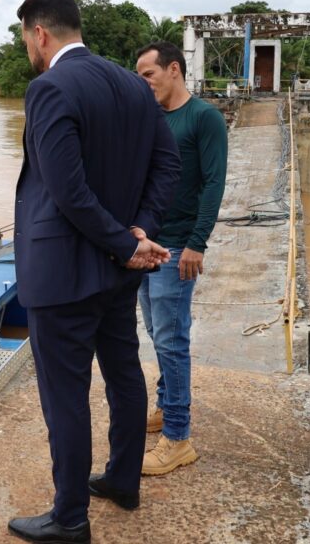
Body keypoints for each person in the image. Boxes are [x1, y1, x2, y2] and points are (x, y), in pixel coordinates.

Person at [7, 0, 180, 544]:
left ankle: (70, 516)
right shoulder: (134, 85)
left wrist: (124, 242)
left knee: (66, 394)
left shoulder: (49, 87)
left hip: (63, 274)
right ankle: (125, 480)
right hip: (117, 272)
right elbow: (165, 162)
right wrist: (139, 230)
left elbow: (66, 190)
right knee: (124, 372)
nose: (28, 48)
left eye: (26, 38)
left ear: (40, 34)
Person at [133, 41, 228, 476]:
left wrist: (197, 243)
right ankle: (163, 406)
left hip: (177, 249)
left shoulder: (203, 118)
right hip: (147, 247)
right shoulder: (151, 117)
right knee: (157, 333)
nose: (142, 82)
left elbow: (213, 184)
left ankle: (178, 437)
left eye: (147, 74)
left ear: (174, 69)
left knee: (173, 341)